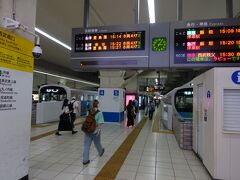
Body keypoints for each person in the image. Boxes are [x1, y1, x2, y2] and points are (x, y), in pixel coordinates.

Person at [82, 100, 105, 165]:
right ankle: (100, 152)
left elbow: (86, 120)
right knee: (97, 143)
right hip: (95, 131)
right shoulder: (99, 113)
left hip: (87, 131)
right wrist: (99, 131)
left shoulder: (88, 111)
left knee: (86, 145)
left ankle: (85, 160)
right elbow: (100, 124)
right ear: (98, 105)